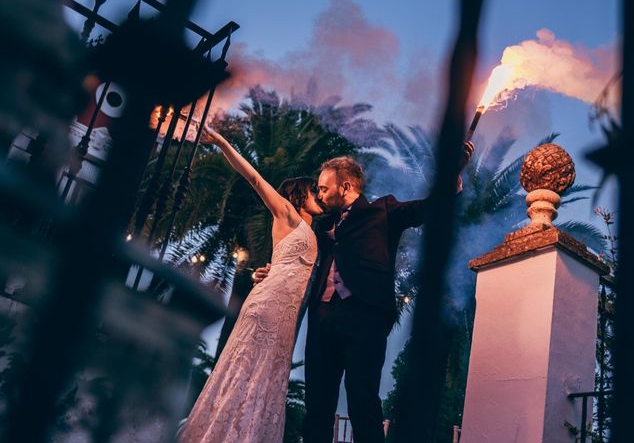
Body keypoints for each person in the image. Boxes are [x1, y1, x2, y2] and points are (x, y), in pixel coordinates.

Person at [253, 143, 474, 443]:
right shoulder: (321, 228)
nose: (318, 194)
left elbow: (427, 209)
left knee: (363, 401)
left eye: (322, 188)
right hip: (322, 318)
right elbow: (299, 262)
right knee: (317, 404)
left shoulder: (383, 210)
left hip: (365, 316)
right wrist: (270, 273)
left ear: (345, 186)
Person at [178, 125, 323, 443]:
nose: (320, 195)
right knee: (249, 369)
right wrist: (221, 143)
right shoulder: (285, 212)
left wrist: (267, 271)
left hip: (284, 313)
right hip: (269, 306)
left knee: (266, 376)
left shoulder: (315, 231)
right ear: (300, 194)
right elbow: (255, 179)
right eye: (315, 190)